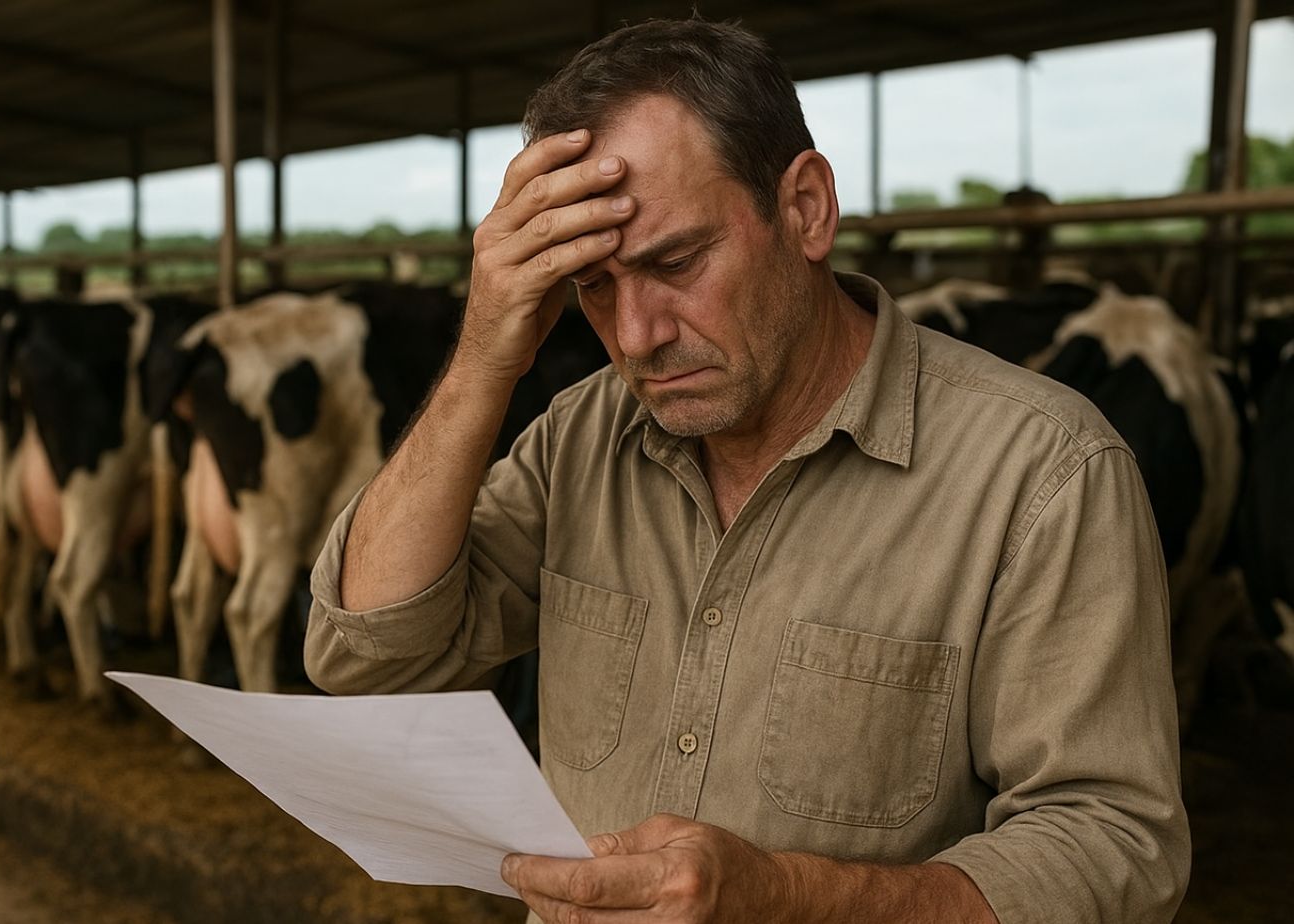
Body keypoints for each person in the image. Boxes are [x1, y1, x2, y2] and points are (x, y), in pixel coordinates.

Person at [305, 18, 1188, 924]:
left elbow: (1113, 845)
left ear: (805, 208)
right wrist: (485, 358)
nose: (639, 335)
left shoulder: (1041, 474)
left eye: (676, 261)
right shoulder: (581, 436)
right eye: (595, 285)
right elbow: (365, 657)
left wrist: (788, 898)